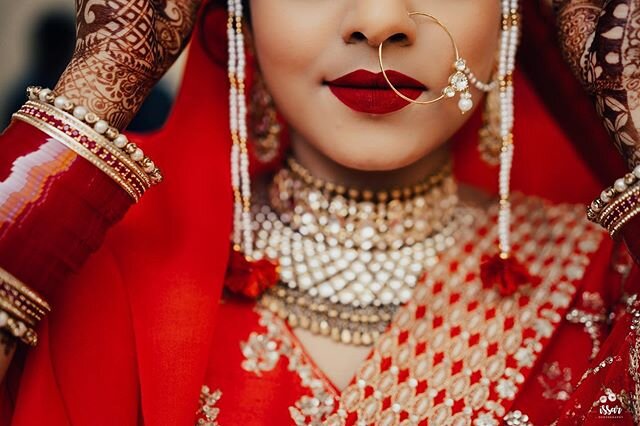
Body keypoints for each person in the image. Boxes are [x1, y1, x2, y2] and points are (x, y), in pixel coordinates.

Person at [0, 0, 639, 424]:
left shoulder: (608, 278)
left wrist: (630, 99)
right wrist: (103, 78)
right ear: (235, 11)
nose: (381, 21)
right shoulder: (103, 264)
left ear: (516, 14)